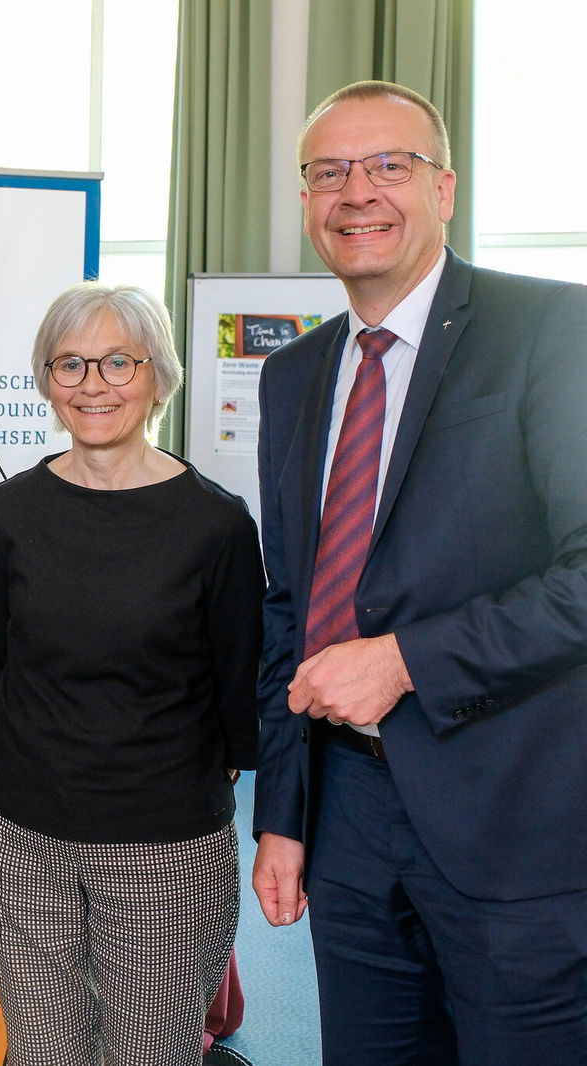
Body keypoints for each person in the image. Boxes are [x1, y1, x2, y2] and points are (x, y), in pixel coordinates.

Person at [252, 80, 587, 1064]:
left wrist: (406, 659)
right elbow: (288, 604)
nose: (356, 192)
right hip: (347, 820)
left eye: (388, 165)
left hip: (514, 820)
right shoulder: (294, 374)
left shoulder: (552, 330)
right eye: (329, 172)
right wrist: (282, 817)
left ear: (444, 188)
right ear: (306, 203)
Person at [0, 282, 262, 1066]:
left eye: (117, 362)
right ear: (47, 379)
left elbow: (239, 700)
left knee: (151, 1052)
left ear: (158, 375)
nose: (92, 384)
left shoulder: (217, 523)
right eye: (69, 363)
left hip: (163, 843)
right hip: (18, 830)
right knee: (41, 1051)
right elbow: (8, 671)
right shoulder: (7, 512)